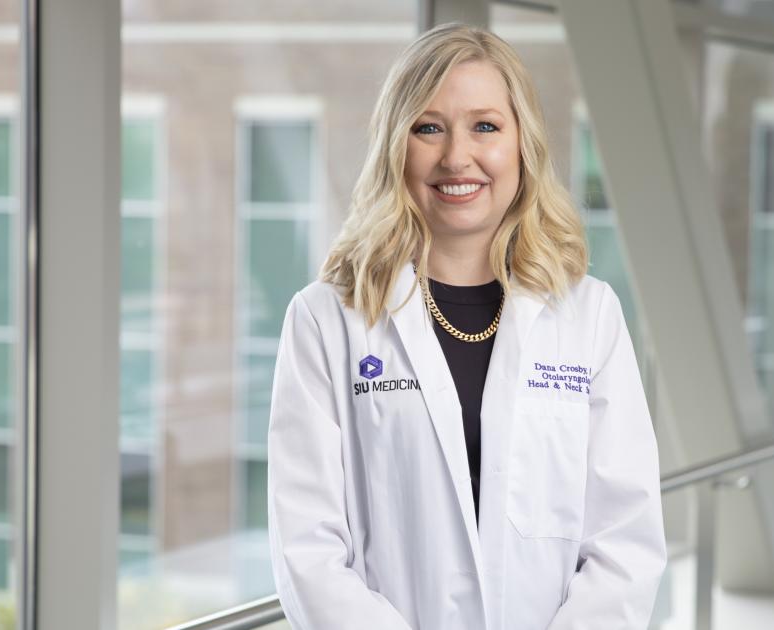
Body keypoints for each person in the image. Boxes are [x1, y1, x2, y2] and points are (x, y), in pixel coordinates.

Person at [266, 22, 667, 630]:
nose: (458, 157)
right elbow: (307, 551)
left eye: (485, 126)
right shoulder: (326, 320)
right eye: (429, 127)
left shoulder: (588, 315)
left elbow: (625, 539)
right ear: (396, 146)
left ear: (521, 144)